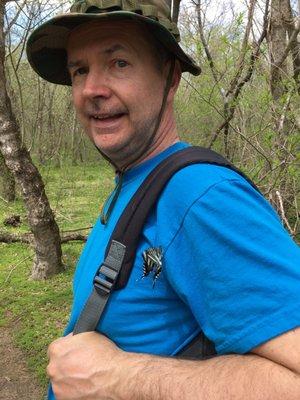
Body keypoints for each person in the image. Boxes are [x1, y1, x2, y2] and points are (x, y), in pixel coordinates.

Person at [26, 1, 300, 399]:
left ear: (170, 77)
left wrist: (123, 377)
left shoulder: (201, 197)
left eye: (119, 62)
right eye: (79, 70)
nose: (92, 90)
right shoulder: (136, 181)